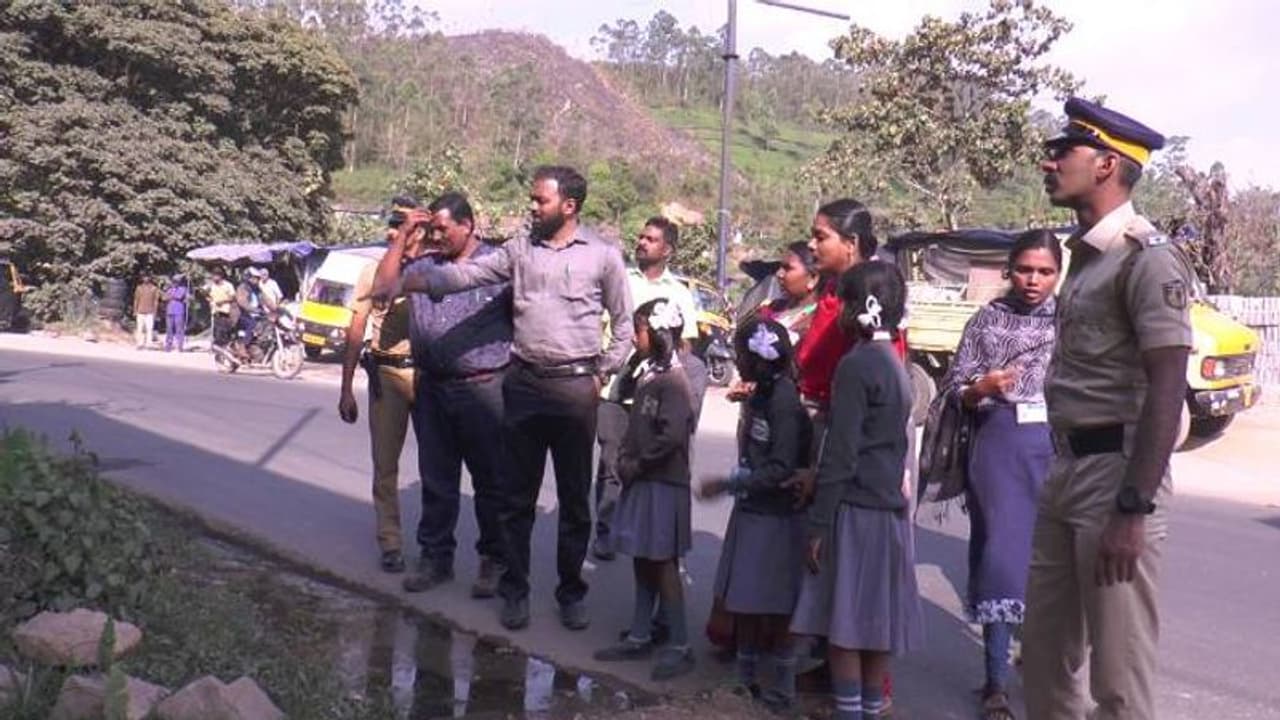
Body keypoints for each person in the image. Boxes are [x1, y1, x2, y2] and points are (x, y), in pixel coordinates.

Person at [378, 165, 633, 632]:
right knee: (516, 498)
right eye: (532, 199)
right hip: (523, 385)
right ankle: (514, 591)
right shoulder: (519, 250)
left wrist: (602, 372)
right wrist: (412, 281)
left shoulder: (603, 256)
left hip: (576, 389)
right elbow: (467, 275)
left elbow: (624, 325)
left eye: (540, 200)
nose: (532, 207)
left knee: (574, 501)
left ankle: (570, 593)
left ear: (568, 206)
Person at [1024, 98, 1192, 720]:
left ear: (1105, 164)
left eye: (1062, 151)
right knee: (1043, 662)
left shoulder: (1146, 257)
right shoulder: (1087, 256)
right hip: (1065, 469)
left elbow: (1168, 384)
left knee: (1118, 683)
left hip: (1116, 478)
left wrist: (1133, 507)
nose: (1049, 162)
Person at [790, 261, 924, 720]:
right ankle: (870, 709)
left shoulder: (856, 365)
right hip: (887, 511)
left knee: (844, 626)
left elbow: (841, 454)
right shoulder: (895, 364)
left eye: (843, 303)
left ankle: (848, 711)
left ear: (859, 308)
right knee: (875, 626)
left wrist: (819, 524)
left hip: (854, 509)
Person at [939, 230, 1061, 720]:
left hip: (1056, 453)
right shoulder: (987, 319)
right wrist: (980, 388)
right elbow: (953, 386)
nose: (1033, 280)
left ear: (1058, 274)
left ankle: (1039, 662)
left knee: (1049, 564)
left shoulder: (1072, 321)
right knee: (1001, 557)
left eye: (1045, 271)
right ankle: (995, 682)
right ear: (1010, 269)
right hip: (998, 448)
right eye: (1025, 269)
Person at [393, 192, 512, 598]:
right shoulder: (425, 266)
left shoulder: (499, 267)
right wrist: (404, 235)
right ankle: (435, 559)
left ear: (468, 225)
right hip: (432, 389)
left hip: (485, 389)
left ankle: (493, 560)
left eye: (443, 229)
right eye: (431, 229)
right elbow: (384, 285)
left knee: (491, 483)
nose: (436, 236)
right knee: (437, 480)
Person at [699, 317, 811, 710]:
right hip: (754, 510)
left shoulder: (783, 402)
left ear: (758, 359)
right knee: (746, 599)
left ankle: (782, 688)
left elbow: (781, 466)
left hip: (776, 516)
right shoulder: (762, 394)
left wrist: (729, 483)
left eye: (741, 356)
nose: (737, 362)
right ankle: (745, 678)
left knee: (777, 605)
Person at [592, 299, 696, 681]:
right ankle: (640, 633)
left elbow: (671, 436)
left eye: (638, 331)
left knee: (663, 562)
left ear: (656, 332)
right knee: (643, 557)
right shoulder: (650, 373)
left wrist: (638, 462)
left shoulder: (674, 382)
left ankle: (679, 644)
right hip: (644, 480)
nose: (635, 338)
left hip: (661, 482)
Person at [593, 216, 700, 562]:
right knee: (611, 463)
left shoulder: (679, 293)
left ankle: (646, 535)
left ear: (667, 250)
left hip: (654, 394)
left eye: (651, 239)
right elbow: (597, 326)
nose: (641, 242)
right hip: (614, 390)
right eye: (641, 236)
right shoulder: (619, 280)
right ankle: (606, 532)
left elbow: (685, 346)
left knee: (650, 464)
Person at [338, 216, 423, 575]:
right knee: (385, 464)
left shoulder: (432, 271)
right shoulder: (372, 273)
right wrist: (346, 388)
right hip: (386, 374)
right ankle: (390, 542)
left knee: (436, 465)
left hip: (427, 375)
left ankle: (436, 548)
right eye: (394, 229)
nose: (397, 235)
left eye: (406, 229)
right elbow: (356, 328)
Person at [205, 269, 237, 346]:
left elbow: (233, 297)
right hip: (215, 310)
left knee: (224, 330)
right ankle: (217, 346)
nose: (214, 277)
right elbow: (205, 294)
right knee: (216, 330)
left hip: (225, 310)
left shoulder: (228, 285)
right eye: (213, 275)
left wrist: (223, 301)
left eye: (216, 276)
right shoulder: (211, 285)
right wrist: (209, 299)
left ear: (220, 276)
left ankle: (225, 345)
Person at [132, 273, 160, 349]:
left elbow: (156, 301)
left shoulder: (154, 288)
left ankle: (148, 344)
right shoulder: (139, 288)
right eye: (144, 277)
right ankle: (139, 344)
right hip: (140, 311)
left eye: (147, 277)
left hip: (150, 312)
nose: (146, 279)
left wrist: (155, 312)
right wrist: (135, 310)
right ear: (142, 279)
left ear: (150, 279)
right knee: (139, 328)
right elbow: (136, 299)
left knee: (149, 328)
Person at [163, 274, 189, 352]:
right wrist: (169, 295)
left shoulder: (183, 289)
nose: (174, 283)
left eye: (176, 282)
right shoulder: (170, 289)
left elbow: (179, 296)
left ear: (179, 282)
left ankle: (180, 346)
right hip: (169, 311)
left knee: (179, 329)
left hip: (179, 311)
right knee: (169, 329)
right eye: (173, 282)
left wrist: (170, 296)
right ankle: (168, 345)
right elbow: (164, 298)